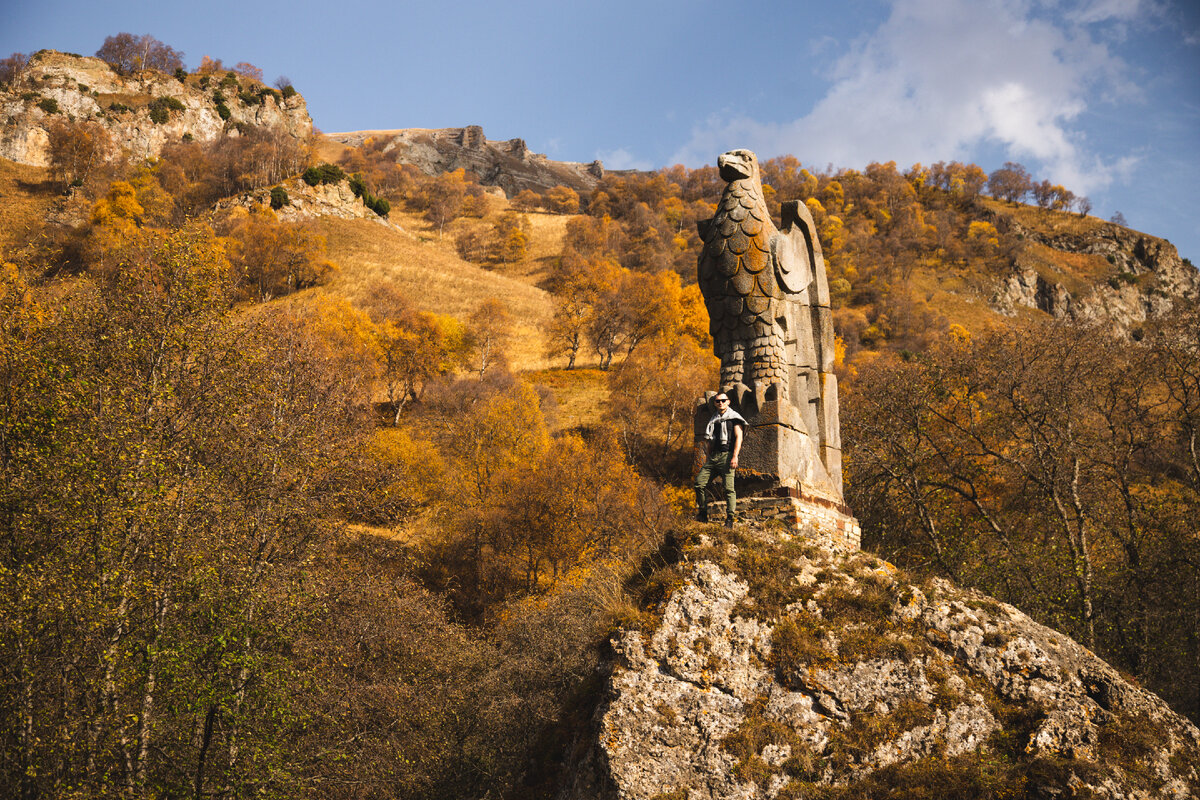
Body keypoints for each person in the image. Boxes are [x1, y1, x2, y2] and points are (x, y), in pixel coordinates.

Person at [695, 392, 746, 527]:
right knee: (699, 483)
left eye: (723, 400)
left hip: (727, 456)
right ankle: (703, 513)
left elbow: (739, 437)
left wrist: (735, 456)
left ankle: (730, 518)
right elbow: (709, 440)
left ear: (728, 402)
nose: (721, 403)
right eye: (718, 401)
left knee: (729, 488)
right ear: (715, 403)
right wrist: (709, 456)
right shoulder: (713, 420)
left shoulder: (734, 418)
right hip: (714, 457)